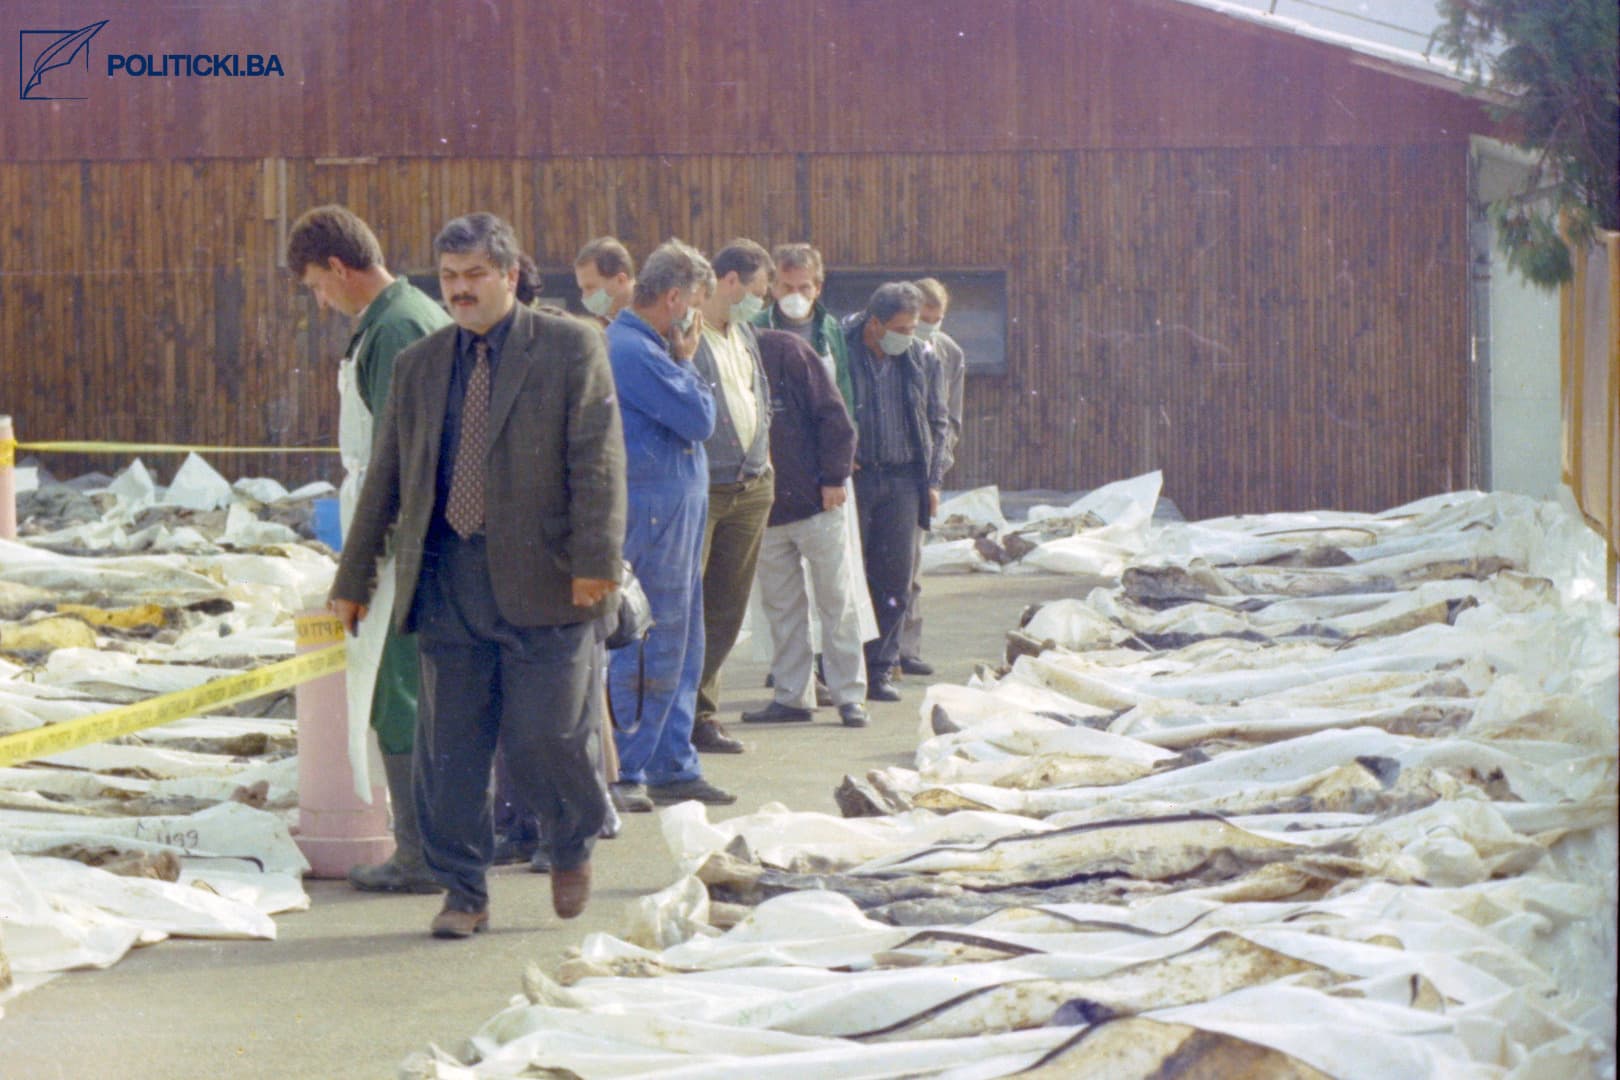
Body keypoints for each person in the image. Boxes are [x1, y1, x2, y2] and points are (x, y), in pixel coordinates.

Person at [330, 212, 626, 939]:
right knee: (450, 749)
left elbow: (600, 462)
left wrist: (595, 565)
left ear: (511, 275)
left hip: (550, 581)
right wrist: (354, 577)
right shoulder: (421, 365)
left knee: (547, 737)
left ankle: (570, 843)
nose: (459, 291)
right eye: (449, 278)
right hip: (449, 580)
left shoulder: (569, 348)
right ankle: (464, 889)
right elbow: (388, 479)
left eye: (474, 277)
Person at [285, 205, 450, 896]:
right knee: (409, 689)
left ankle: (421, 851)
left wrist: (367, 561)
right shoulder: (396, 319)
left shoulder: (397, 326)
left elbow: (398, 460)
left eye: (317, 288)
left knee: (398, 689)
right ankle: (434, 843)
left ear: (338, 267)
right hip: (404, 537)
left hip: (405, 545)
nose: (320, 303)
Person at [605, 240, 737, 807]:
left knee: (683, 641)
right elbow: (701, 417)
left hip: (675, 510)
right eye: (698, 304)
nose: (698, 320)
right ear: (676, 297)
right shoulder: (636, 350)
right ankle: (628, 767)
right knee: (645, 641)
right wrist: (687, 362)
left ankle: (671, 762)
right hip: (652, 511)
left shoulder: (648, 345)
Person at [742, 328, 867, 728]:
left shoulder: (787, 350)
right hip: (764, 508)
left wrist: (834, 477)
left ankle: (849, 695)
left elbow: (833, 414)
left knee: (836, 600)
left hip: (817, 500)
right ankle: (793, 695)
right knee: (781, 608)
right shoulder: (713, 355)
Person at [841, 283, 949, 702]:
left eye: (913, 327)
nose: (909, 336)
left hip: (904, 478)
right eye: (900, 328)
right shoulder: (844, 350)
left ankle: (881, 668)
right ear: (875, 323)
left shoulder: (921, 357)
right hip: (858, 476)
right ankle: (842, 667)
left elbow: (937, 421)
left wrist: (933, 480)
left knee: (895, 579)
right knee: (849, 578)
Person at [688, 240, 775, 755]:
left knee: (726, 609)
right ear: (730, 281)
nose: (761, 304)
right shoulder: (689, 334)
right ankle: (678, 716)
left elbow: (757, 396)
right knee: (687, 607)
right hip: (705, 488)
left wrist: (765, 459)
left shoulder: (744, 333)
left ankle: (703, 714)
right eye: (758, 292)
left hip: (751, 487)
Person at [897, 277, 967, 679]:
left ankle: (908, 647)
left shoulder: (950, 353)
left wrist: (936, 473)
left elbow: (950, 420)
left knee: (912, 564)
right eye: (922, 319)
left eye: (935, 321)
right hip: (885, 464)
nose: (928, 327)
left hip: (924, 469)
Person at [754, 242, 854, 411]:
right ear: (773, 287)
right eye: (787, 287)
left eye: (804, 287)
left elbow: (843, 387)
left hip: (822, 430)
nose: (795, 295)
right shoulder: (755, 327)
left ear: (818, 288)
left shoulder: (830, 328)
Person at [574, 237, 636, 325]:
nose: (584, 298)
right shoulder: (603, 326)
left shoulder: (656, 319)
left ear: (621, 280)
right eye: (582, 289)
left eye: (590, 287)